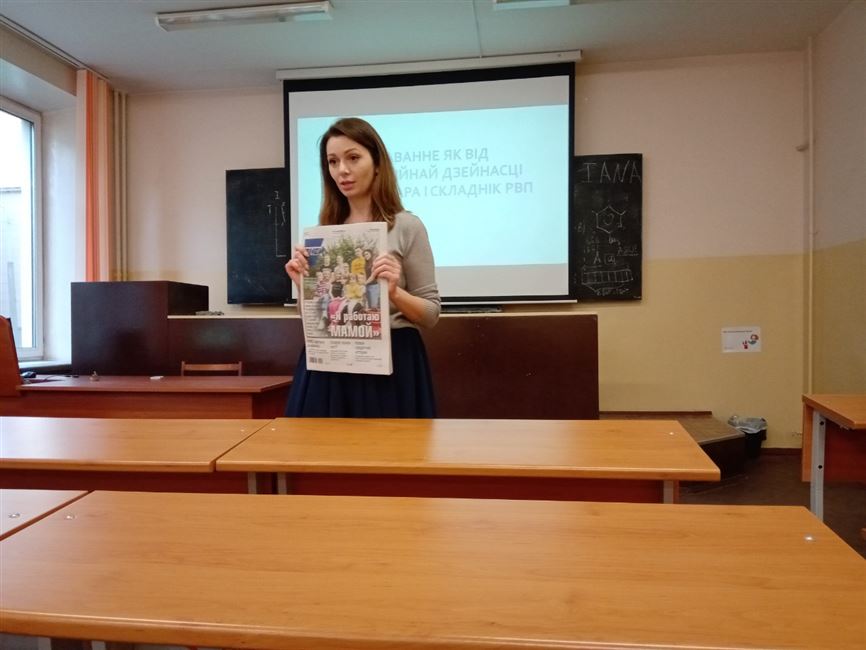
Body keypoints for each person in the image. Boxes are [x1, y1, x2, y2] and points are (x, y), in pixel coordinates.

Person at [284, 117, 439, 417]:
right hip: (331, 361)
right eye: (333, 162)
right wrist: (302, 286)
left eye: (353, 158)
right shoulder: (325, 233)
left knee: (387, 446)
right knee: (320, 445)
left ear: (377, 163)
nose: (342, 170)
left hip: (391, 361)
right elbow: (315, 319)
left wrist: (394, 293)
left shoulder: (407, 226)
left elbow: (431, 314)